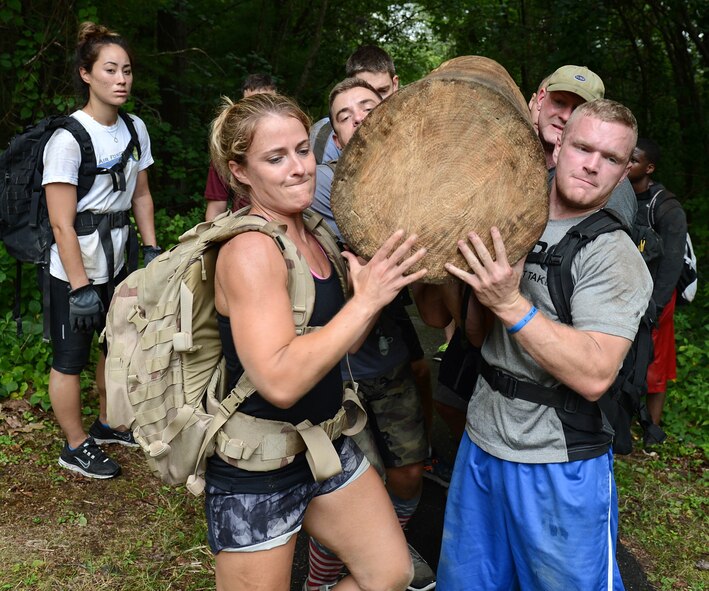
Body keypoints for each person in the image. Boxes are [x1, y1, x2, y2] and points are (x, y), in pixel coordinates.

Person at [415, 99, 652, 590]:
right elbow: (479, 338)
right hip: (483, 442)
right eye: (583, 147)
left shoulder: (614, 256)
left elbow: (594, 374)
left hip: (557, 462)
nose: (592, 164)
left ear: (625, 170)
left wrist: (507, 301)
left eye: (611, 158)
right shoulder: (515, 215)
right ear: (558, 143)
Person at [206, 92, 426, 591]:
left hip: (324, 442)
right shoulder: (249, 251)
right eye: (275, 158)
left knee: (390, 573)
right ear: (240, 172)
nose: (298, 168)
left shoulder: (317, 234)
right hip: (259, 467)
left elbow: (340, 346)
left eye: (303, 150)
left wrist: (372, 294)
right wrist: (366, 302)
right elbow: (280, 380)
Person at [308, 77, 436, 591]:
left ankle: (392, 547)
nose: (358, 117)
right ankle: (322, 580)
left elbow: (432, 306)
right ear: (335, 136)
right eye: (343, 113)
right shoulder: (316, 186)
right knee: (351, 490)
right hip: (339, 369)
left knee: (408, 472)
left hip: (389, 357)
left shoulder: (415, 181)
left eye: (368, 107)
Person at [43, 22, 159, 479]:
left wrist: (150, 249)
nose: (122, 79)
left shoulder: (135, 128)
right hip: (76, 266)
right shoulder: (68, 139)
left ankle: (108, 424)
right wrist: (78, 287)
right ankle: (75, 445)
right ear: (86, 75)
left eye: (127, 70)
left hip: (119, 259)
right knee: (70, 358)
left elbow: (142, 195)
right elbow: (60, 221)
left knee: (115, 345)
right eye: (110, 70)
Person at [628, 137, 687, 442]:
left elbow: (673, 262)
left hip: (657, 295)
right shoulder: (618, 195)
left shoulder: (666, 207)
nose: (626, 163)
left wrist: (657, 304)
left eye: (633, 159)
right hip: (625, 290)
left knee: (654, 363)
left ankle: (651, 429)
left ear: (649, 167)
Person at [532, 64, 637, 230]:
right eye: (559, 102)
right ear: (540, 99)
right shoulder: (509, 154)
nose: (565, 116)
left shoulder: (612, 188)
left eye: (577, 109)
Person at [204, 74, 277, 221]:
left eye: (266, 103)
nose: (258, 111)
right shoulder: (228, 149)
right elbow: (216, 209)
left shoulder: (297, 141)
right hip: (246, 226)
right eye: (251, 104)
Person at [310, 45, 399, 166]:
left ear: (395, 85)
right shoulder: (324, 136)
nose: (377, 103)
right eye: (365, 92)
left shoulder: (417, 122)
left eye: (383, 91)